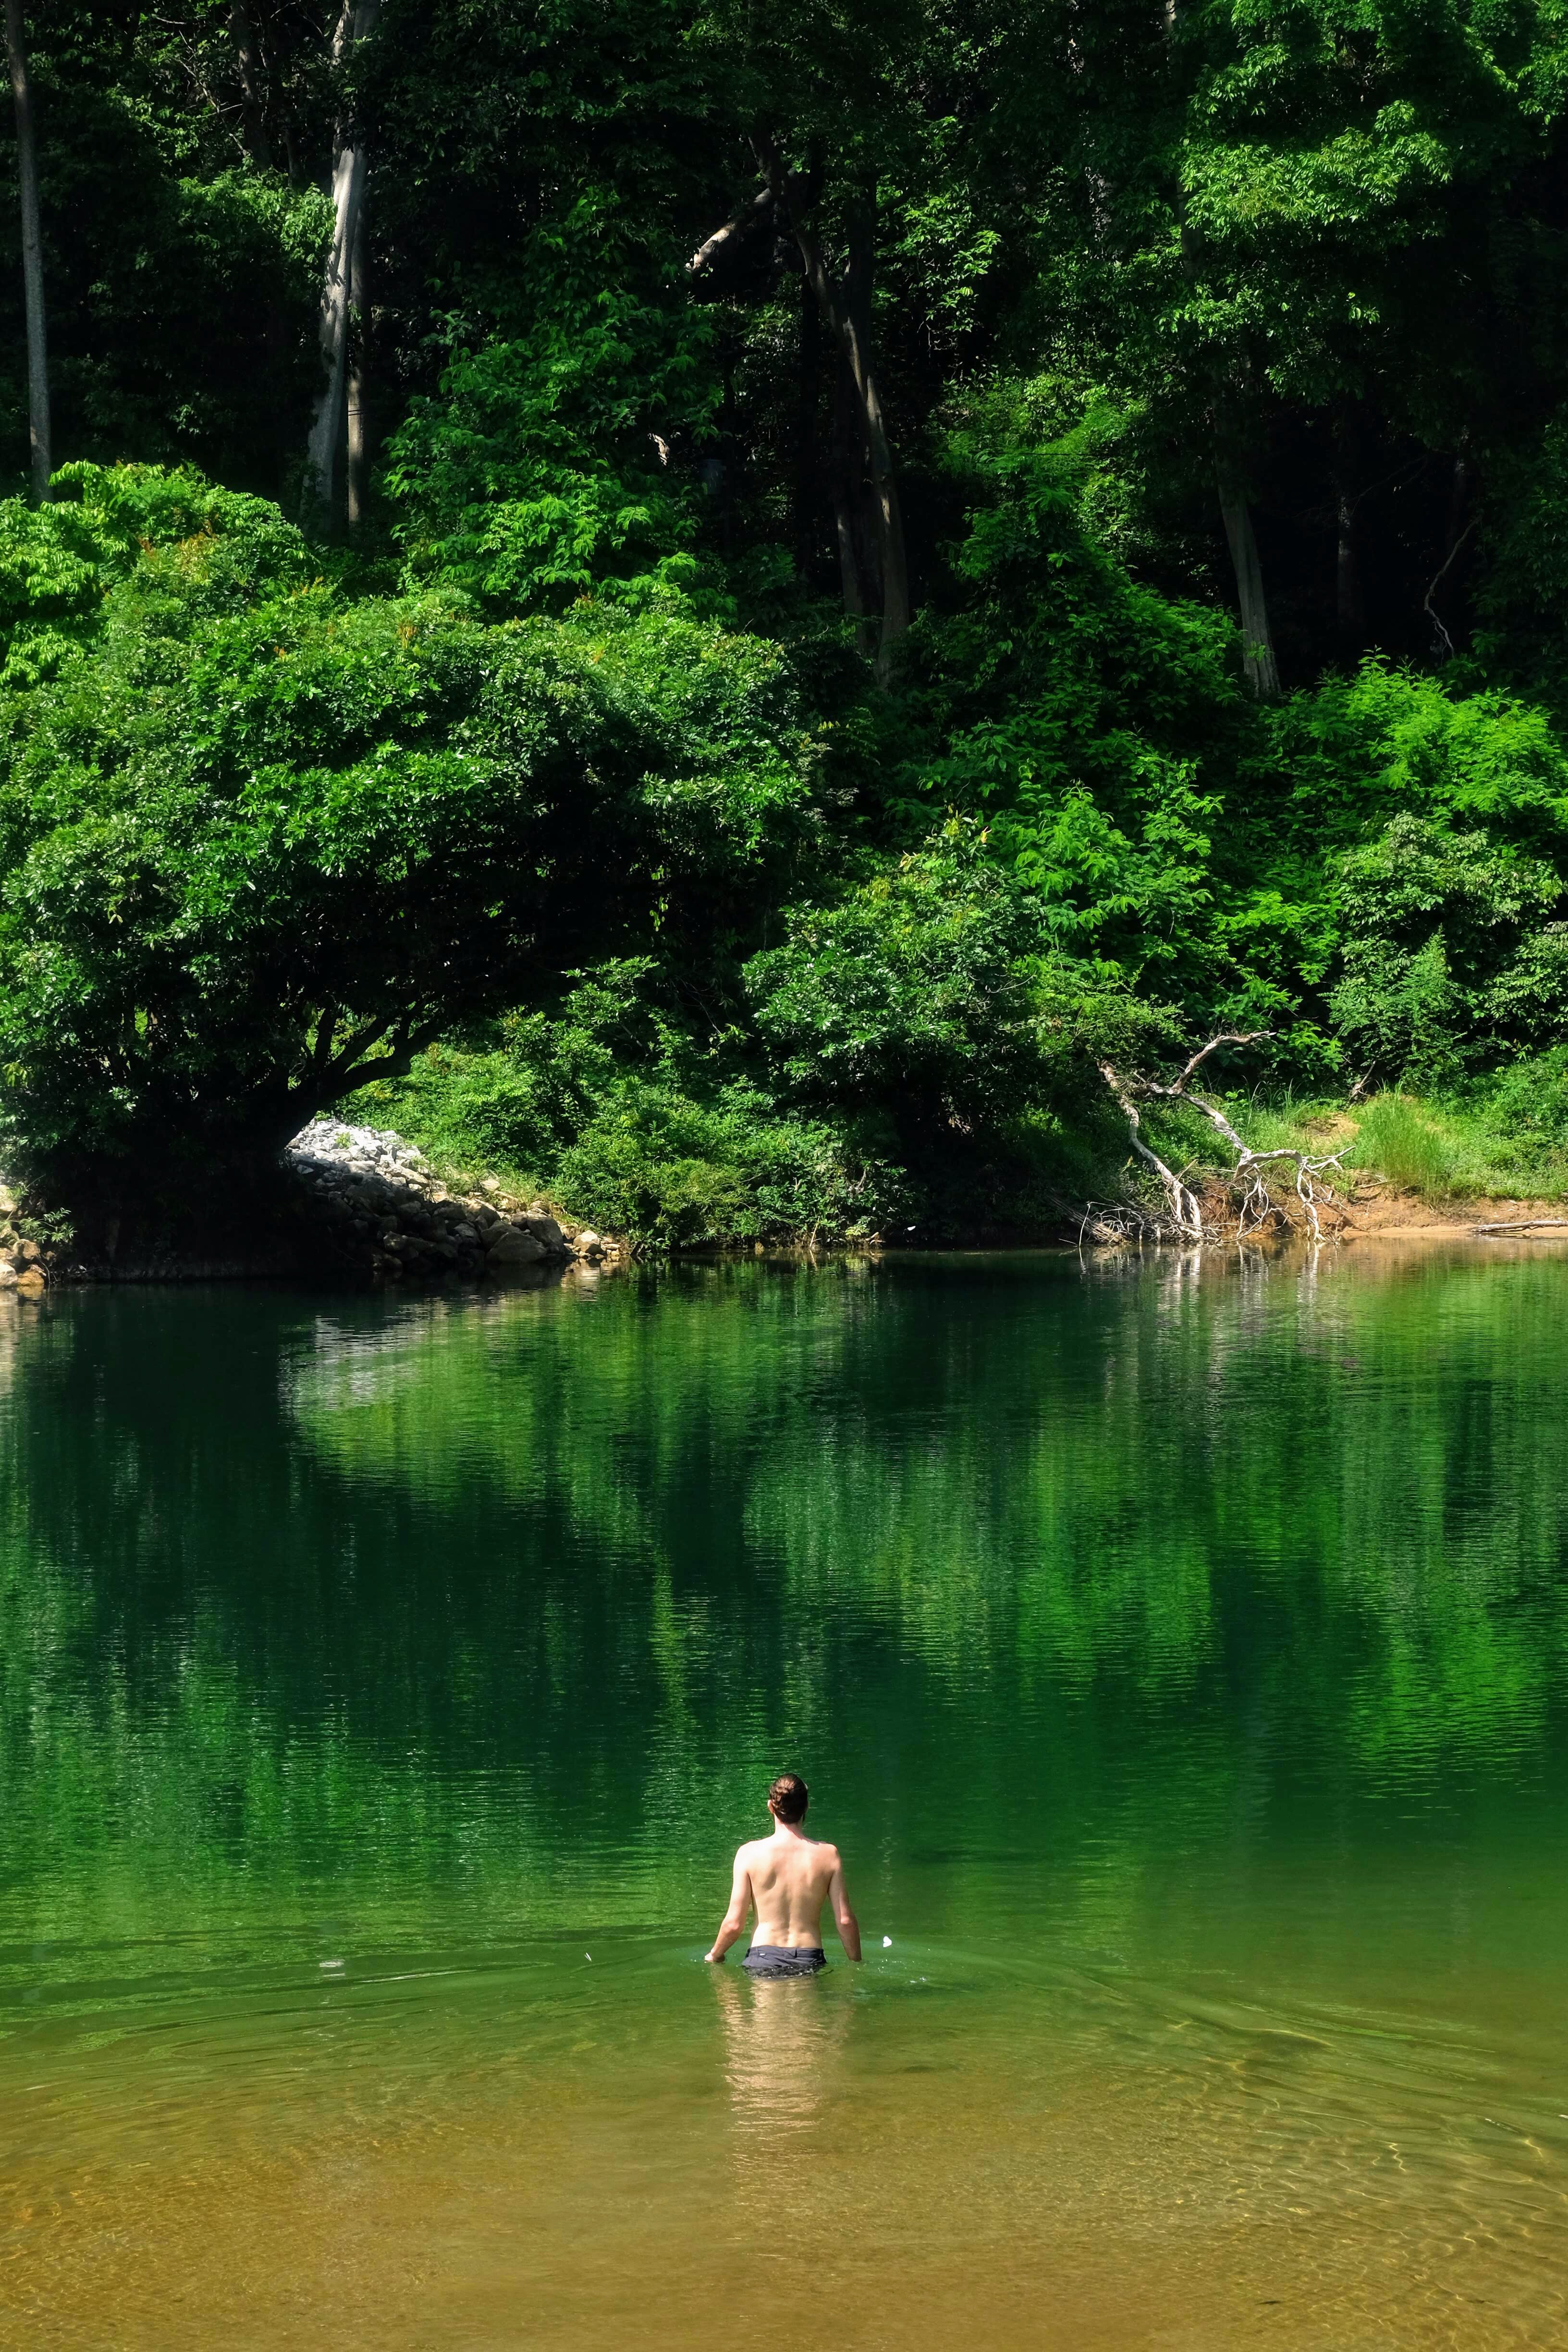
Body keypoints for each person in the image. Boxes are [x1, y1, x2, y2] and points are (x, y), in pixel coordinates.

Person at [705, 1772, 861, 1976]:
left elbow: (734, 1924)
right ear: (807, 1807)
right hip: (809, 1957)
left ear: (771, 1806)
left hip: (763, 1957)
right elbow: (845, 1921)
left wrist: (715, 1954)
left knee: (765, 2009)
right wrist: (857, 1964)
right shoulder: (828, 1855)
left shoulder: (749, 1854)